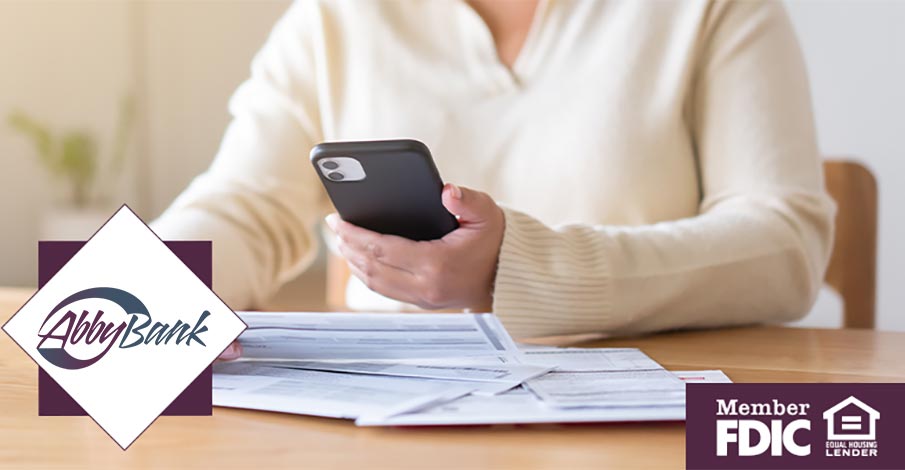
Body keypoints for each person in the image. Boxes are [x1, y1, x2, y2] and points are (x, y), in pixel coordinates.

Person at [152, 0, 835, 358]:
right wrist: (149, 291)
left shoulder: (710, 8)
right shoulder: (336, 15)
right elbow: (240, 203)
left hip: (644, 420)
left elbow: (784, 243)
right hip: (385, 416)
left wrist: (522, 267)